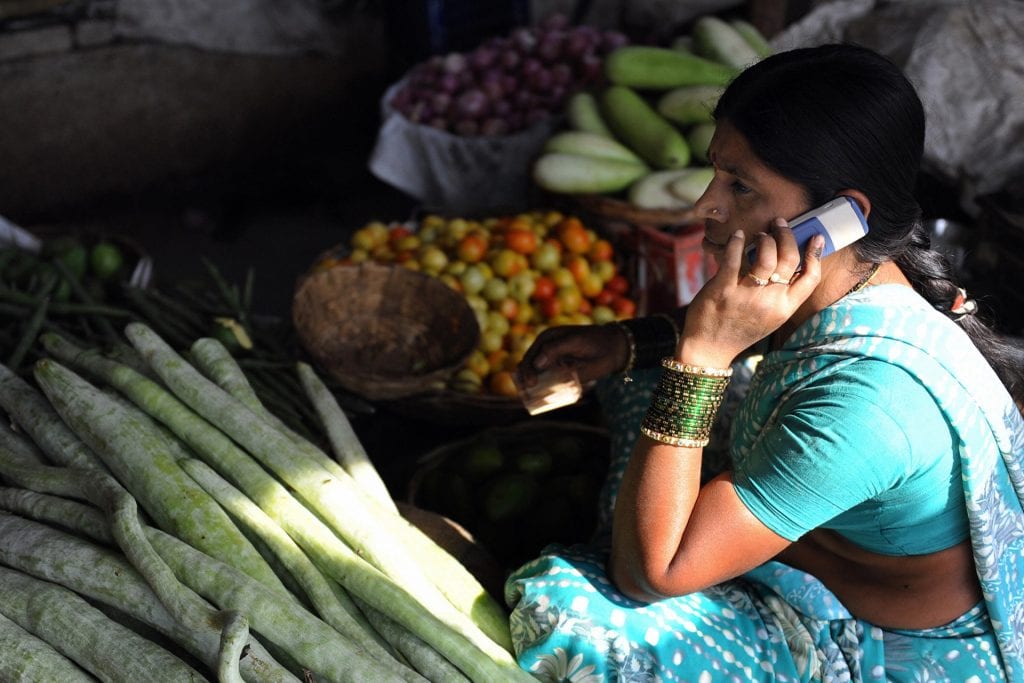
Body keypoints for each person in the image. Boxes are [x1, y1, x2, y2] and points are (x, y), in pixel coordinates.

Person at [507, 43, 1024, 682]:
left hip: (869, 643)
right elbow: (745, 327)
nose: (706, 206)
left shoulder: (868, 405)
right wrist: (628, 344)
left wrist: (702, 356)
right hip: (813, 550)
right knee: (643, 383)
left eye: (740, 186)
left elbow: (651, 576)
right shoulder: (863, 278)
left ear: (838, 218)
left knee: (561, 612)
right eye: (715, 173)